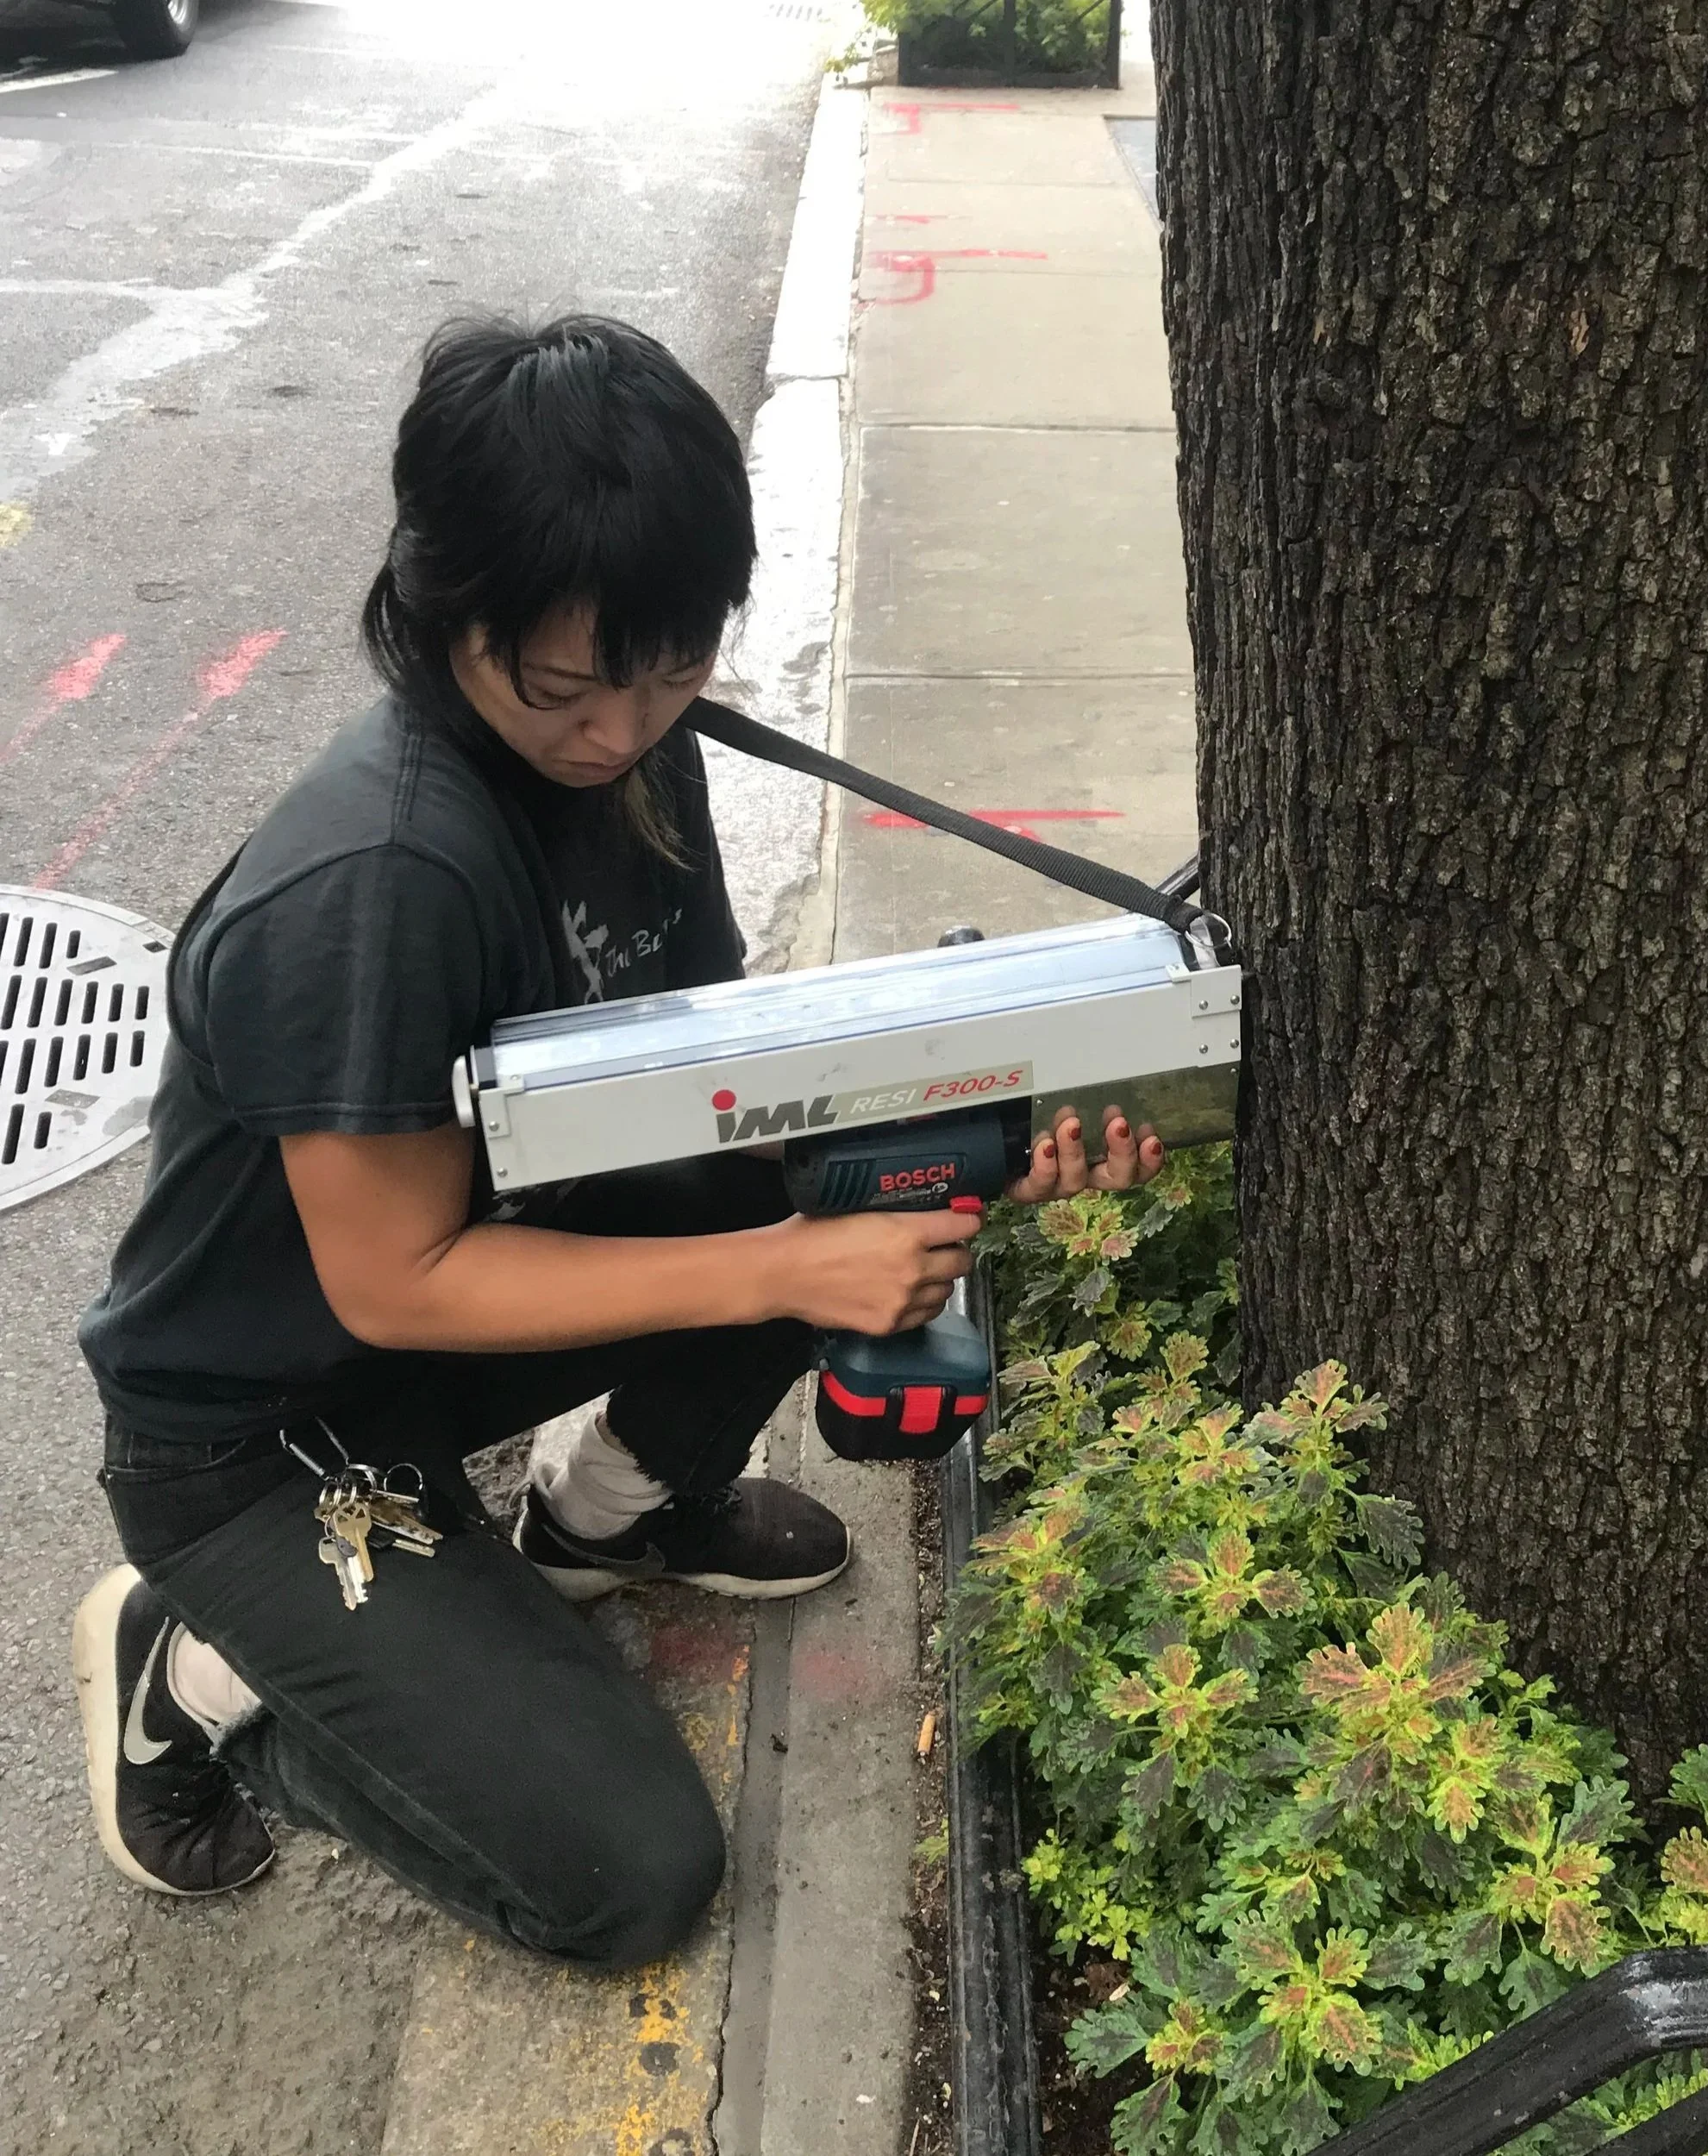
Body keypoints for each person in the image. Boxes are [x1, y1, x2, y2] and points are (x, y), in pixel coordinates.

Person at [69, 315, 1164, 1968]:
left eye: (672, 670)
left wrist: (994, 1131)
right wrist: (790, 1264)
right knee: (631, 1879)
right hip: (268, 1431)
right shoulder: (381, 881)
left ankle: (613, 1515)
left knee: (862, 1157)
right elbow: (394, 1282)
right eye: (566, 686)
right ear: (447, 608)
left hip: (476, 1298)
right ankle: (201, 1671)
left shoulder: (644, 756)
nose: (620, 732)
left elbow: (725, 1081)